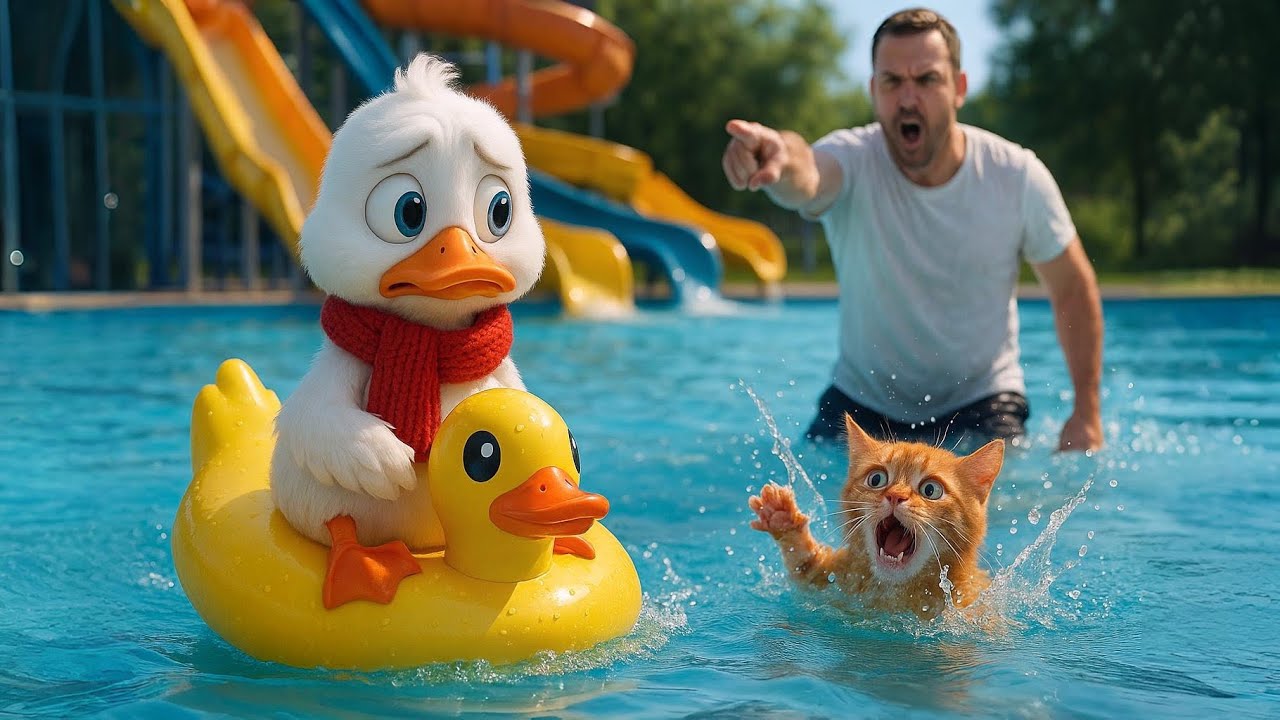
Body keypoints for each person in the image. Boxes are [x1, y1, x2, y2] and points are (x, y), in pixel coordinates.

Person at [721, 7, 1103, 452]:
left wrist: (1087, 412)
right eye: (892, 82)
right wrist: (779, 157)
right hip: (862, 402)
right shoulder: (852, 160)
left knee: (983, 519)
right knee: (796, 512)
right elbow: (806, 173)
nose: (907, 99)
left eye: (926, 80)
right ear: (873, 90)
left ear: (959, 88)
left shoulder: (1015, 176)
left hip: (981, 402)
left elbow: (1072, 287)